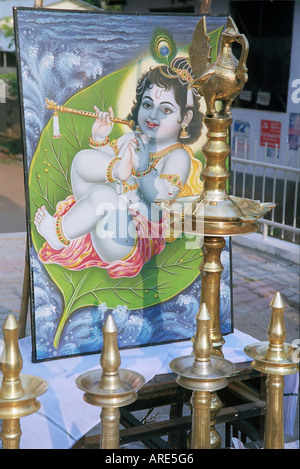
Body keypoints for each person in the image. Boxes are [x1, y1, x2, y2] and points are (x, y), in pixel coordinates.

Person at [34, 57, 204, 278]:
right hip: (106, 212)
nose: (153, 115)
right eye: (148, 105)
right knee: (83, 159)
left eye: (166, 110)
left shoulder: (178, 156)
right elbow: (103, 167)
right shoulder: (133, 138)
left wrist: (142, 169)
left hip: (129, 237)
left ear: (186, 117)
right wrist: (100, 138)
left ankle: (59, 234)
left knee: (104, 195)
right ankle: (117, 171)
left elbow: (161, 198)